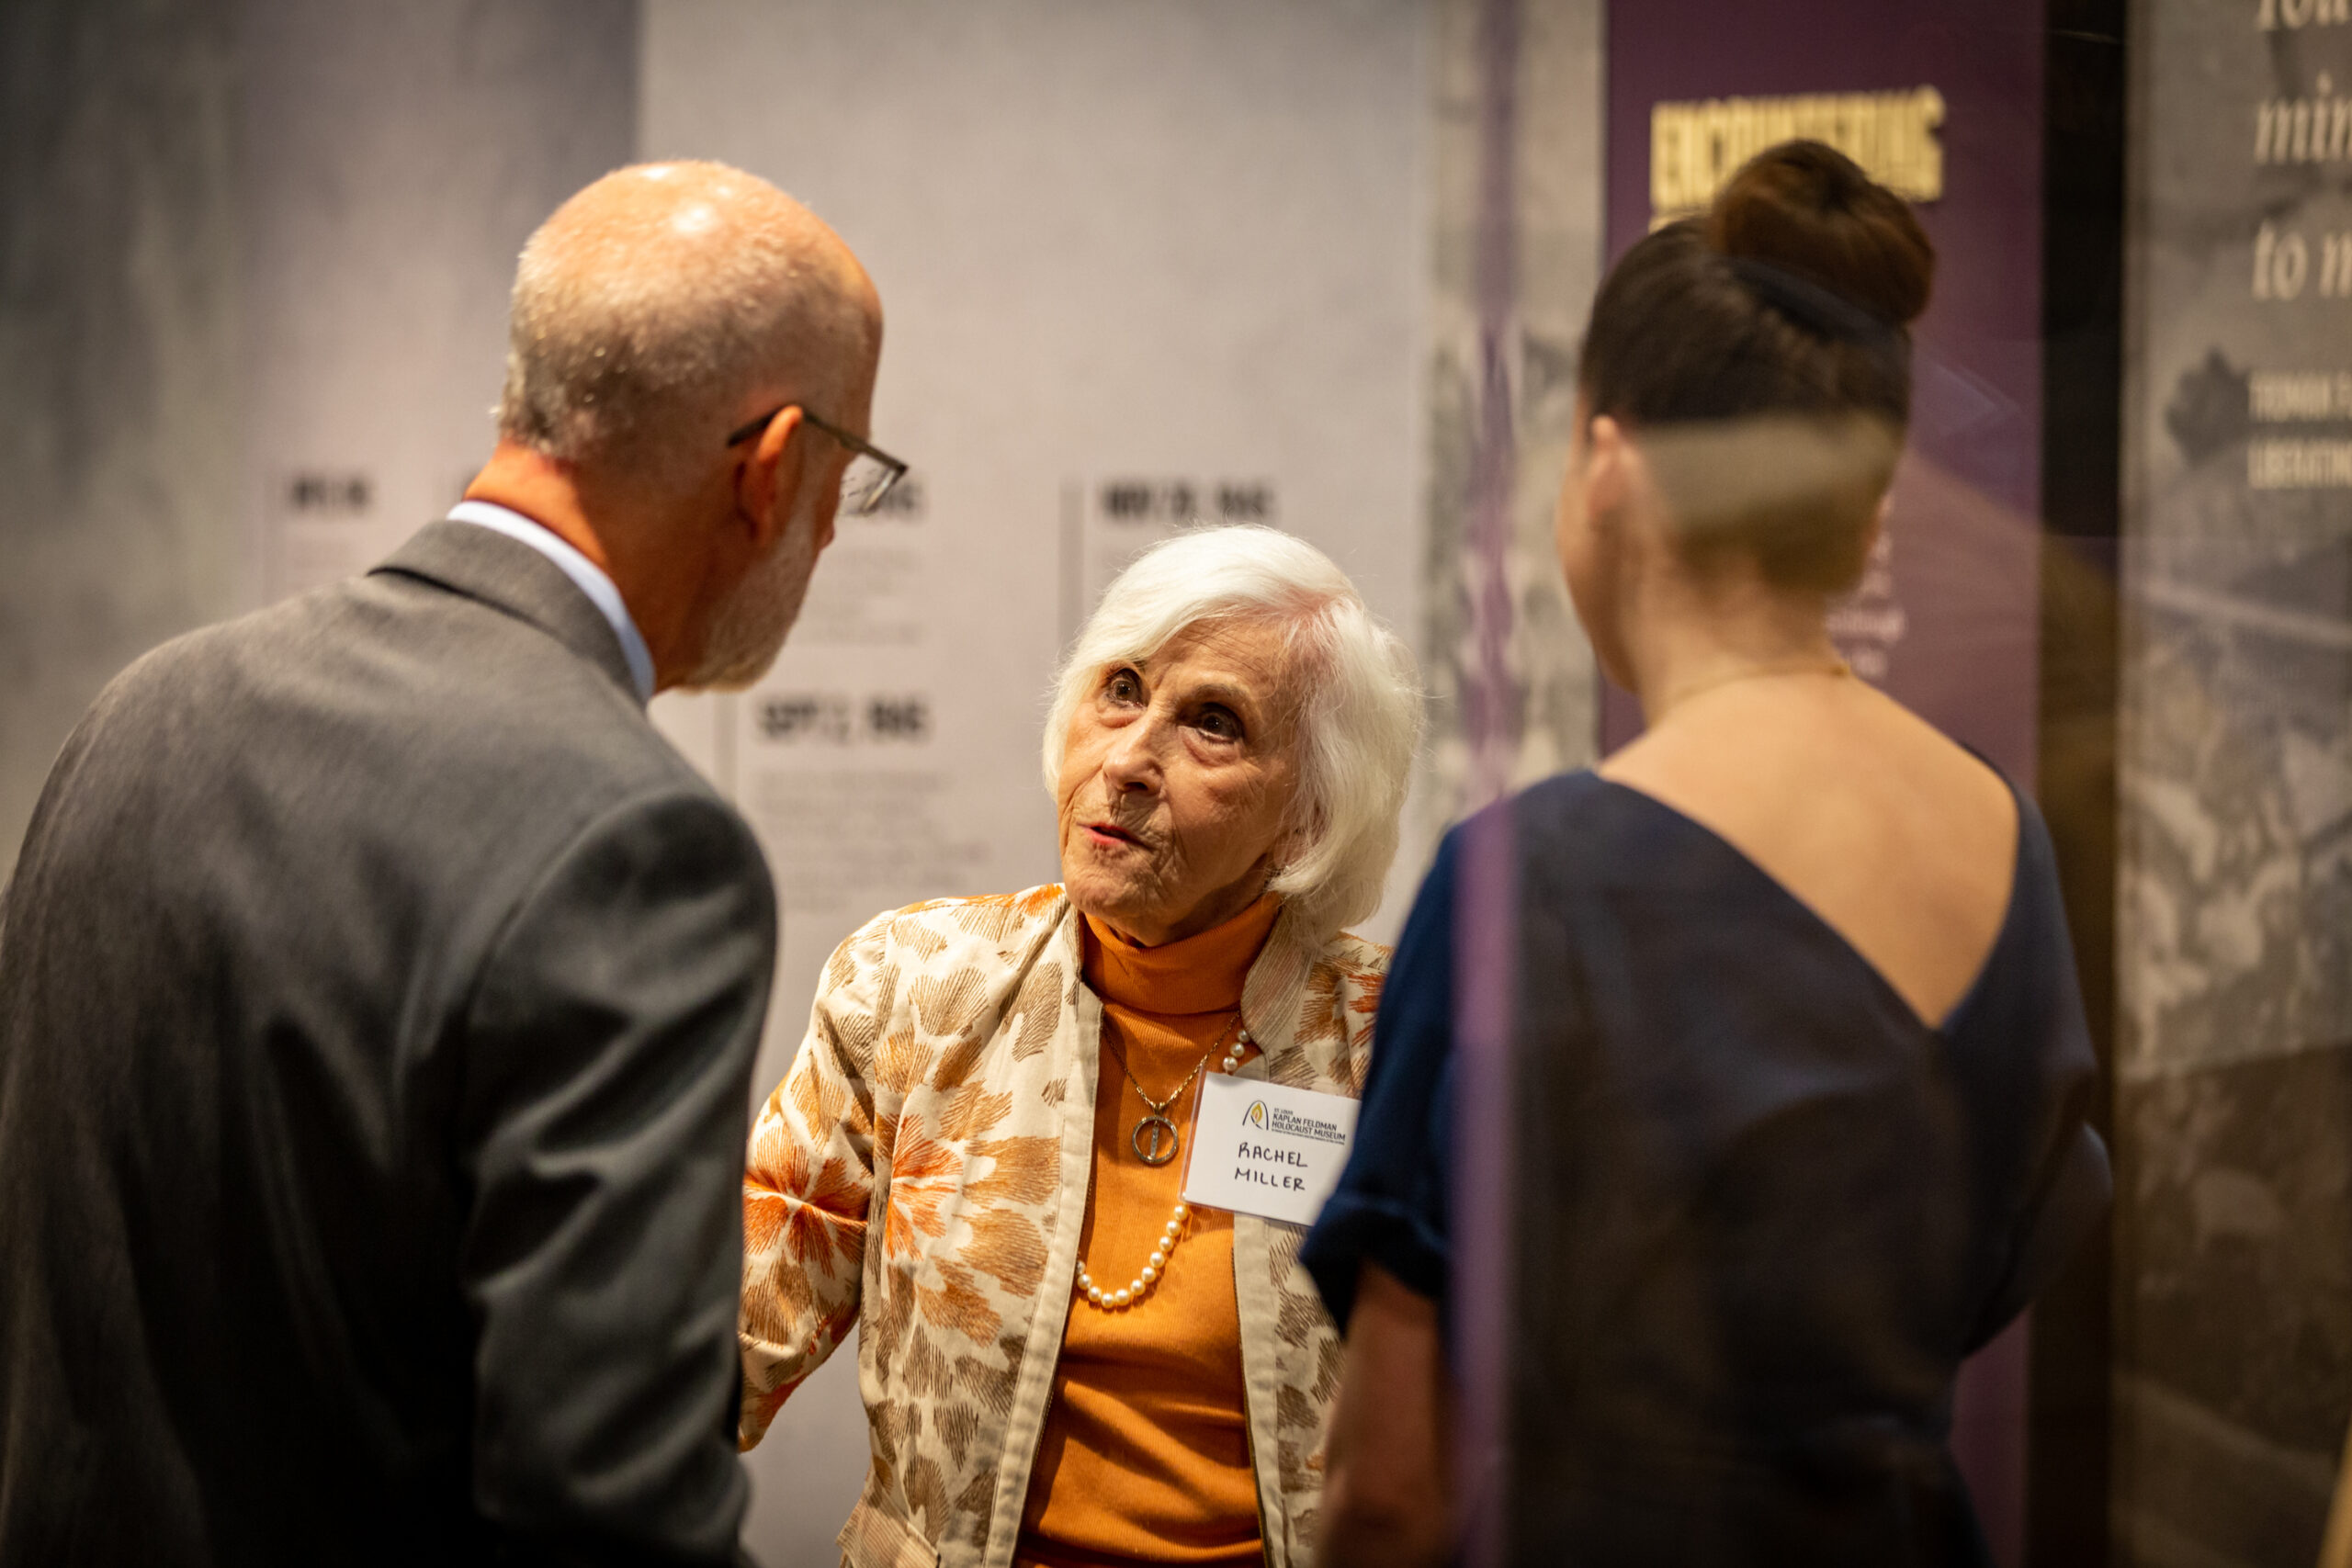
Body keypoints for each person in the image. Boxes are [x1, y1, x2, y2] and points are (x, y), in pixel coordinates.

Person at [0, 160, 888, 1564]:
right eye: (852, 476)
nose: (836, 528)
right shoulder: (637, 839)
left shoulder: (142, 708)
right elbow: (608, 1507)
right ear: (773, 468)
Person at [1303, 141, 2111, 1566]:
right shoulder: (2007, 838)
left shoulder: (1527, 878)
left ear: (1606, 467)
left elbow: (1387, 1487)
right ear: (1865, 521)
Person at [736, 525, 1421, 1568]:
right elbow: (728, 1337)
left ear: (1307, 815)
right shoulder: (914, 989)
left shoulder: (1392, 1041)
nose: (1129, 760)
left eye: (1214, 725)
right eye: (1120, 690)